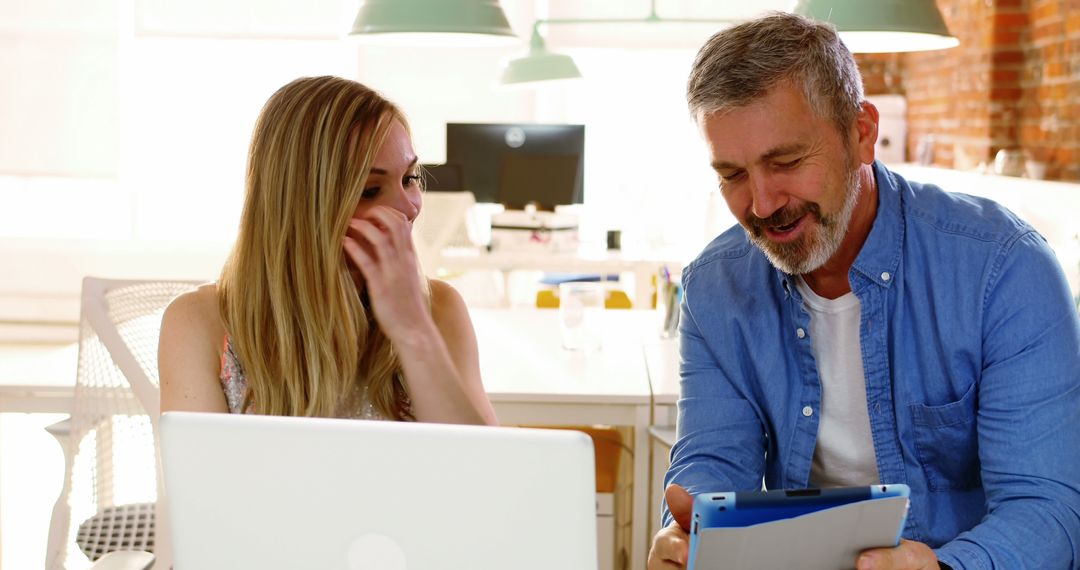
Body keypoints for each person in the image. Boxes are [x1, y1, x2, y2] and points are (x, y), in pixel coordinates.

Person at [648, 12, 1080, 570]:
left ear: (862, 133)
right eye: (733, 174)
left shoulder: (1004, 269)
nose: (761, 204)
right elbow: (711, 464)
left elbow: (1049, 510)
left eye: (786, 162)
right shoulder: (716, 286)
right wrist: (686, 539)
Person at [159, 76, 498, 425]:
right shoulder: (201, 322)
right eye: (370, 190)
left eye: (409, 179)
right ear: (300, 204)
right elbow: (201, 476)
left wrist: (413, 330)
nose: (409, 207)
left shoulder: (440, 309)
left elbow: (485, 470)